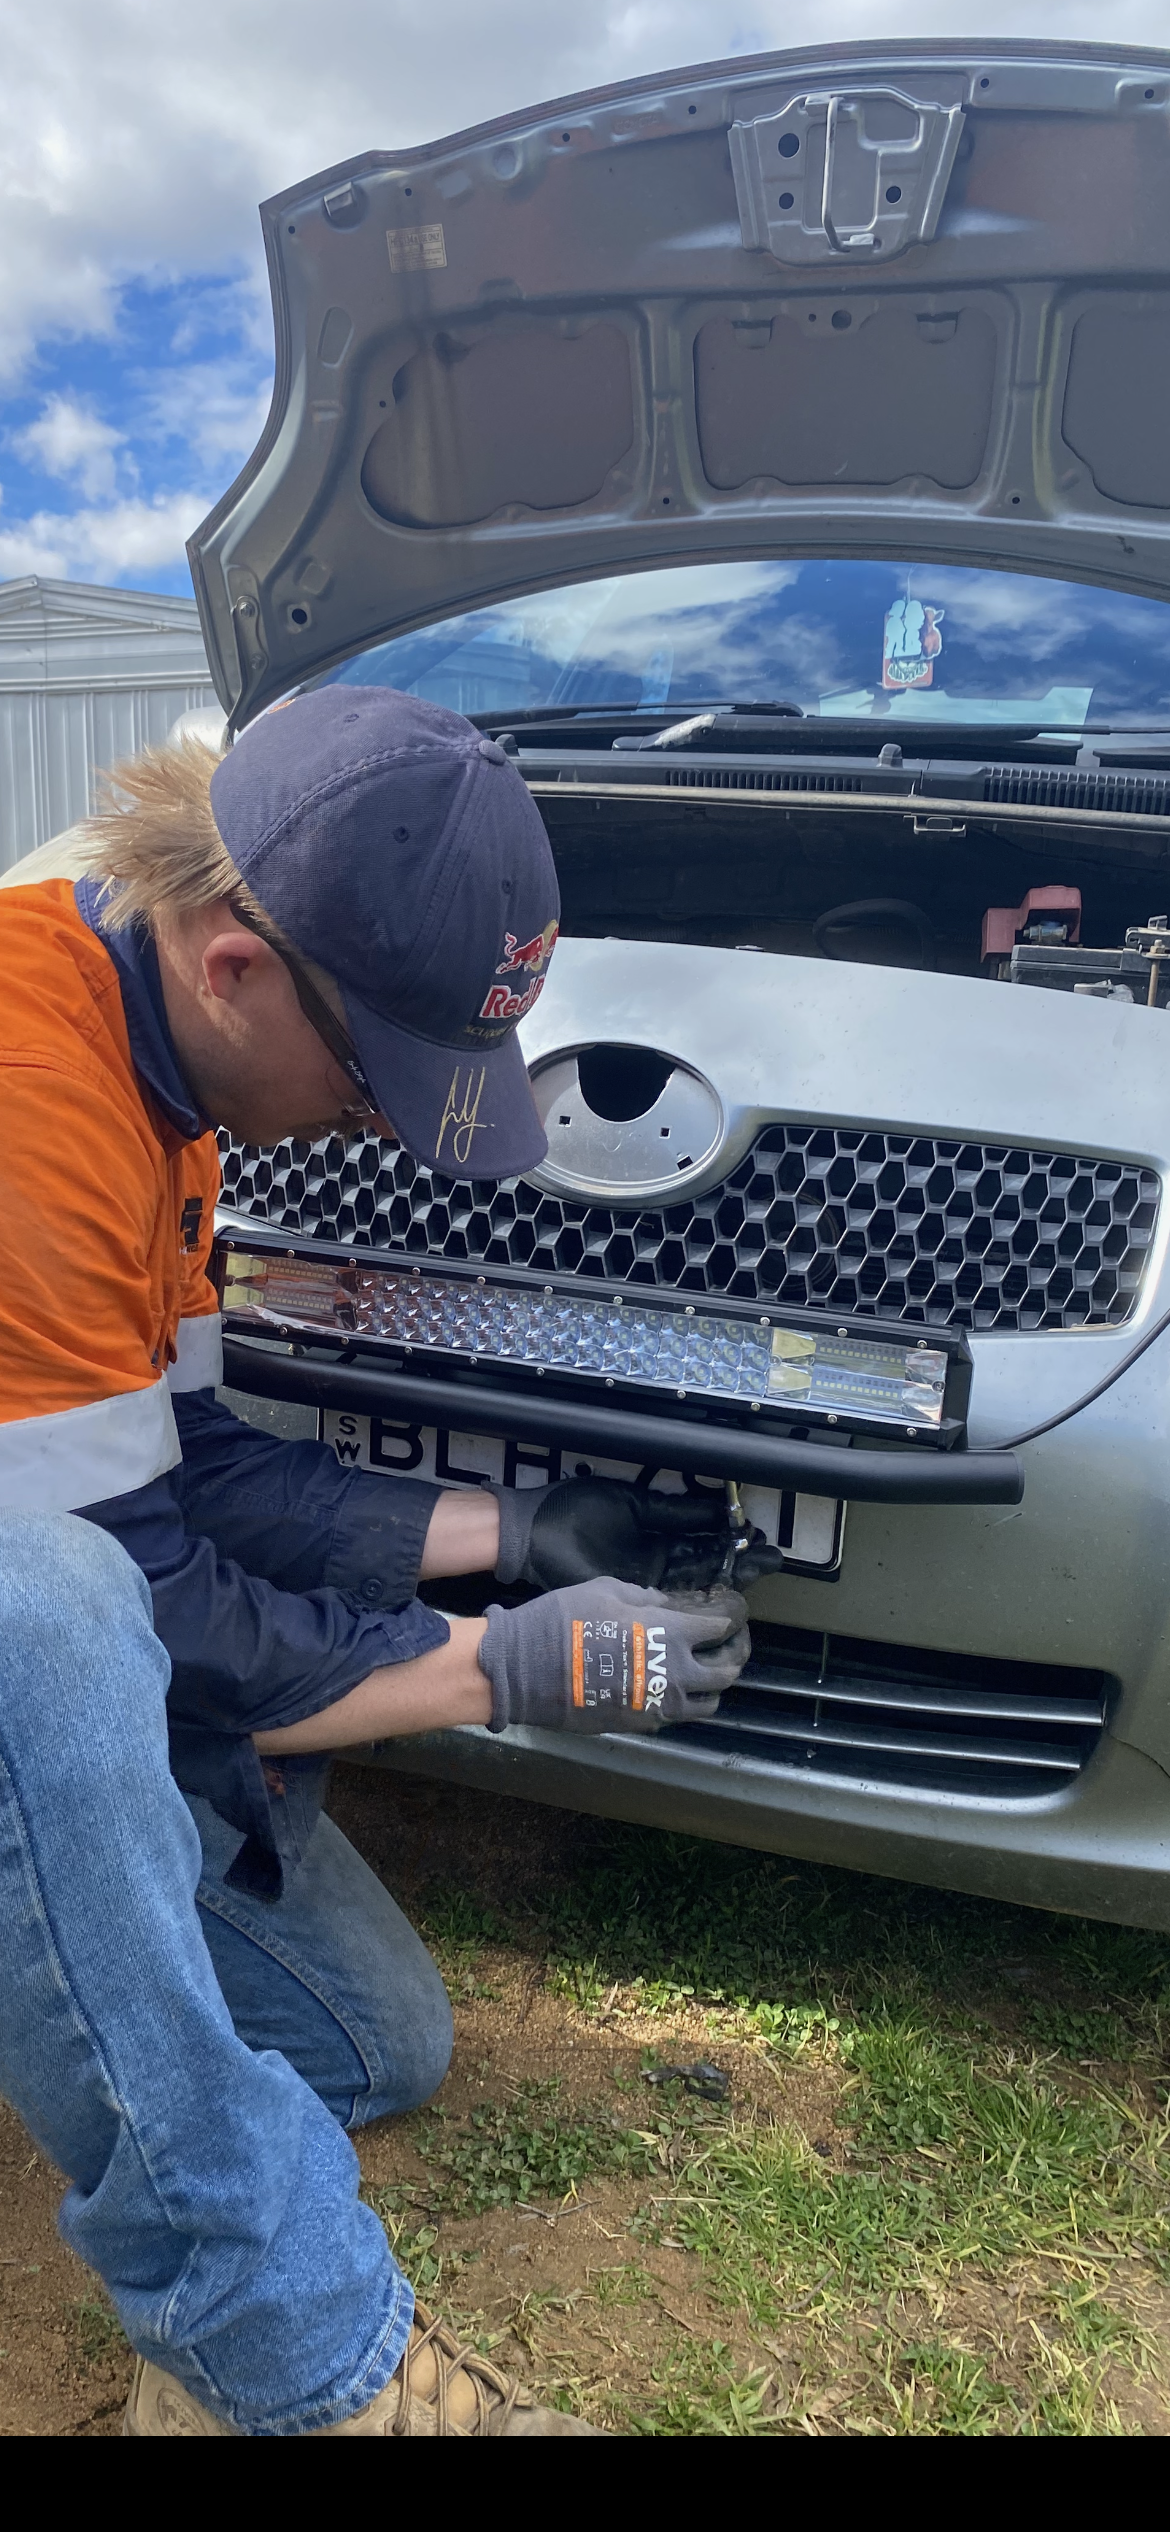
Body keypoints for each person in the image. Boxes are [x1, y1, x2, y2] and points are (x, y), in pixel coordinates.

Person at [0, 687, 756, 2437]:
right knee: (44, 1615)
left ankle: (84, 2004)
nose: (374, 1122)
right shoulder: (30, 1093)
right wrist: (505, 1669)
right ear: (233, 962)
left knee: (368, 2041)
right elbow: (148, 1609)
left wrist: (521, 1528)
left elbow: (195, 1478)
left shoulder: (158, 1084)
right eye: (374, 1073)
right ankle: (301, 2364)